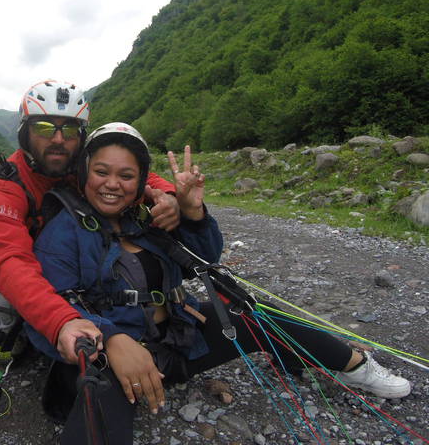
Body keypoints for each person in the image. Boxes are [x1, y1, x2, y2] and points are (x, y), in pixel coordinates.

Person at [25, 122, 412, 444]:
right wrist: (110, 339)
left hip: (178, 339)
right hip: (111, 361)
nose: (113, 184)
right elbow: (47, 312)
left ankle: (354, 365)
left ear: (141, 180)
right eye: (101, 172)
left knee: (257, 315)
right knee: (96, 424)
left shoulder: (146, 217)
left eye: (126, 175)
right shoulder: (61, 232)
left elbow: (205, 259)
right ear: (84, 173)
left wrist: (192, 213)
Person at [0, 80, 180, 364]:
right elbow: (9, 261)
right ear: (24, 134)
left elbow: (128, 175)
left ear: (81, 137)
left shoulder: (75, 167)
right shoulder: (4, 186)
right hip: (7, 265)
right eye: (44, 128)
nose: (58, 139)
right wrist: (60, 320)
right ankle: (10, 334)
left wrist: (169, 194)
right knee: (4, 286)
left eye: (69, 129)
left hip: (56, 255)